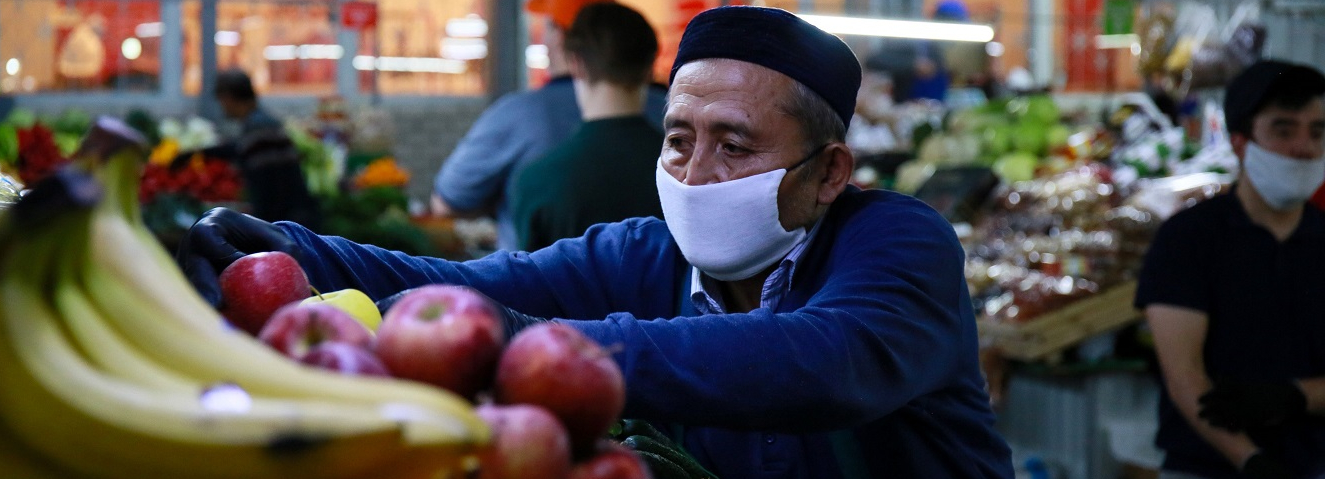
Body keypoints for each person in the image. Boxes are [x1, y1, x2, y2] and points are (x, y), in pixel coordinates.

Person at [177, 6, 1013, 478]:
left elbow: (824, 360)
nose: (694, 171)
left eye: (735, 145)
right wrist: (282, 250)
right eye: (678, 138)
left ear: (830, 171)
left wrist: (548, 347)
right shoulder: (645, 254)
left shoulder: (900, 241)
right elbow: (455, 280)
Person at [1135, 60, 1325, 479]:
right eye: (1283, 129)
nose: (1304, 147)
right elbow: (1185, 377)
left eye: (1317, 131)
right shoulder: (1188, 239)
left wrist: (1293, 397)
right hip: (1205, 466)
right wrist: (1250, 459)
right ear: (1240, 142)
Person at [429, 0, 668, 252]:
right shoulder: (677, 154)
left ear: (573, 56)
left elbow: (447, 202)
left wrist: (508, 200)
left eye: (549, 27)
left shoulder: (536, 178)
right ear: (649, 64)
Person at [506, 2, 664, 251]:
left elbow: (530, 282)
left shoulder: (538, 181)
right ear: (650, 67)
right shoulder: (681, 172)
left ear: (576, 64)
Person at [205, 69, 320, 229]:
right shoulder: (261, 124)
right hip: (293, 218)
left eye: (221, 100)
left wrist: (262, 228)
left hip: (287, 221)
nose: (222, 106)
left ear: (228, 98)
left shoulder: (259, 129)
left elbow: (269, 189)